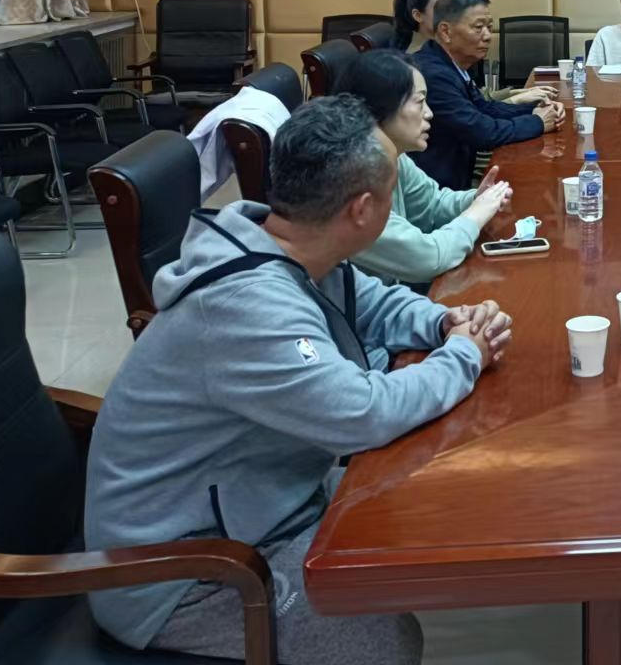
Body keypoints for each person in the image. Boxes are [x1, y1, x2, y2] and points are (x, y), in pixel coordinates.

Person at [83, 97, 513, 665]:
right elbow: (362, 414)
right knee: (383, 644)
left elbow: (374, 303)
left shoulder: (288, 241)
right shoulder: (247, 304)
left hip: (265, 502)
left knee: (427, 496)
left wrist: (444, 322)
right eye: (392, 193)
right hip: (184, 574)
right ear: (363, 209)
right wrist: (463, 356)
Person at [337, 50, 514, 283]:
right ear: (379, 108)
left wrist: (476, 198)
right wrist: (476, 214)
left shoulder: (393, 155)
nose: (429, 113)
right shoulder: (352, 179)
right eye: (420, 102)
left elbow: (432, 205)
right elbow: (428, 258)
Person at [412, 0, 564, 189]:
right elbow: (481, 132)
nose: (487, 36)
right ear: (446, 32)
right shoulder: (434, 75)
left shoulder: (451, 64)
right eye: (478, 28)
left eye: (489, 27)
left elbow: (485, 108)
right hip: (437, 189)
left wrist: (537, 108)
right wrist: (538, 122)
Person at [392, 0, 551, 107]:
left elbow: (475, 96)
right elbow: (467, 113)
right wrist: (516, 100)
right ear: (418, 15)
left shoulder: (449, 48)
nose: (450, 11)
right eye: (441, 6)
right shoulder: (417, 62)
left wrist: (519, 93)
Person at [390, 0, 455, 52]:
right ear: (418, 15)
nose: (450, 13)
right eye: (441, 7)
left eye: (452, 5)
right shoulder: (417, 55)